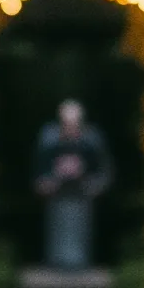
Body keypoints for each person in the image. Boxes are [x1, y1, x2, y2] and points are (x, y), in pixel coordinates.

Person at [32, 98, 114, 270]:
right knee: (58, 238)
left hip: (82, 200)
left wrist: (84, 177)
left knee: (79, 240)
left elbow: (104, 174)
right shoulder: (49, 140)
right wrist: (56, 176)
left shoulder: (92, 141)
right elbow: (39, 177)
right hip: (57, 201)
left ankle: (80, 269)